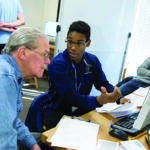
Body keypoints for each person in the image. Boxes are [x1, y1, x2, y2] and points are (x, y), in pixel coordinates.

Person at [25, 20, 129, 132]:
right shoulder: (57, 64)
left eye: (79, 43)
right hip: (57, 110)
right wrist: (99, 100)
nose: (73, 47)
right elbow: (71, 97)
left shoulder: (92, 61)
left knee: (101, 131)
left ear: (87, 43)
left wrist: (118, 98)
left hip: (82, 108)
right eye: (70, 42)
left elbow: (103, 84)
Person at [0, 27, 52, 150]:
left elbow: (11, 120)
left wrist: (33, 145)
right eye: (44, 55)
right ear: (22, 53)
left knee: (45, 140)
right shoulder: (5, 76)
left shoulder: (12, 74)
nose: (48, 61)